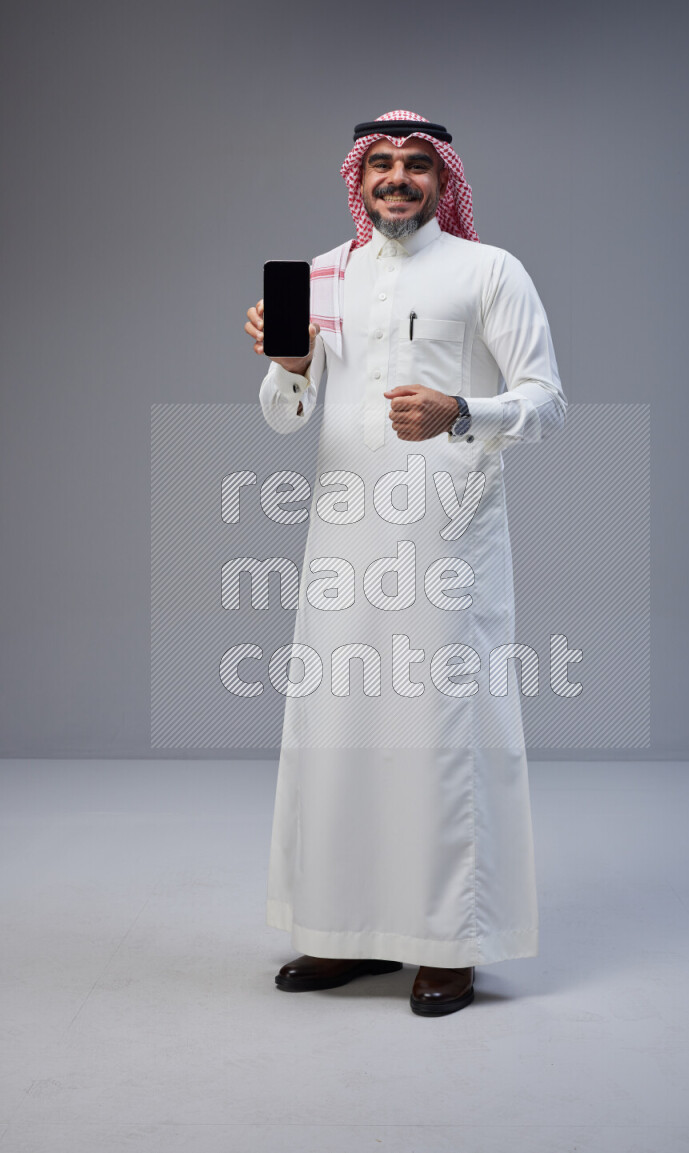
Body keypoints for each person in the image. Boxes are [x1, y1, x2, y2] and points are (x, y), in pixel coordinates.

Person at [244, 110, 566, 1016]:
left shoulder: (488, 271)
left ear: (441, 178)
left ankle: (447, 944)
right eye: (380, 163)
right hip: (343, 545)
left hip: (446, 542)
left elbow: (548, 402)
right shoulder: (322, 273)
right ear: (359, 177)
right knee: (339, 731)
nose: (396, 179)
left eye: (415, 165)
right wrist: (292, 362)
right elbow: (283, 416)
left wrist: (461, 410)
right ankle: (344, 933)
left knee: (439, 735)